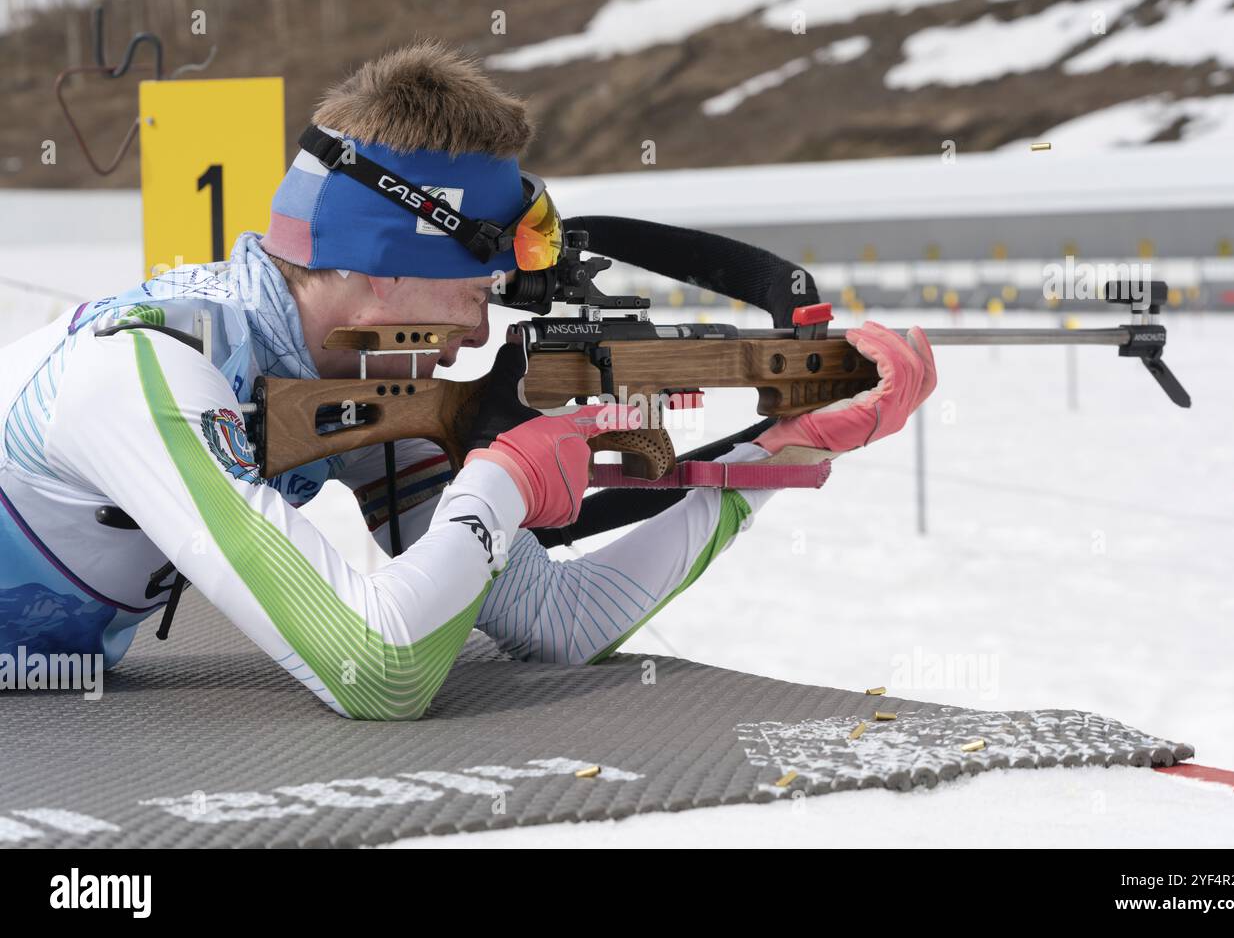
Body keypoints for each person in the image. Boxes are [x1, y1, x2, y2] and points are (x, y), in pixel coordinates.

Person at [0, 42, 935, 719]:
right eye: (481, 285)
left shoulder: (355, 386)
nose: (484, 325)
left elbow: (562, 620)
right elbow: (377, 671)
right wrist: (501, 480)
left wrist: (778, 452)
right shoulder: (144, 369)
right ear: (380, 261)